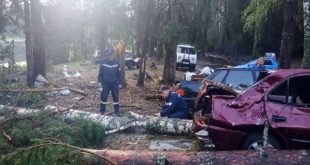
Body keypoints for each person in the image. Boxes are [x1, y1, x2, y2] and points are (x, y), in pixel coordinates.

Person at [98, 48, 123, 116]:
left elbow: (119, 73)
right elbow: (100, 72)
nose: (110, 57)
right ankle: (101, 112)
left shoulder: (117, 62)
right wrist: (99, 81)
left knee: (116, 98)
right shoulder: (103, 61)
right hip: (105, 83)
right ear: (107, 55)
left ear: (113, 55)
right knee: (104, 97)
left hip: (114, 83)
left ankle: (117, 112)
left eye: (111, 55)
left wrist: (121, 82)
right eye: (108, 56)